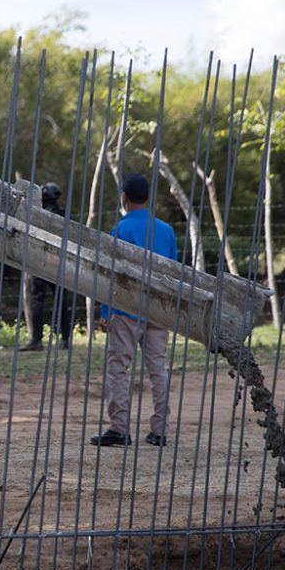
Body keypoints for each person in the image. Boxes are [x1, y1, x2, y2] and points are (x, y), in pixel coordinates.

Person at [91, 173, 177, 448]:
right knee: (158, 368)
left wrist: (105, 312)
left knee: (118, 367)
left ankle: (119, 427)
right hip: (158, 311)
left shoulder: (119, 230)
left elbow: (110, 275)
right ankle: (160, 430)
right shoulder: (166, 231)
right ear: (148, 198)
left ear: (124, 198)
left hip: (127, 308)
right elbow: (173, 272)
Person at [19, 182, 74, 351]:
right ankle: (65, 339)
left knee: (37, 299)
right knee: (61, 300)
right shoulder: (63, 215)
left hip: (39, 260)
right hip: (58, 262)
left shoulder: (37, 215)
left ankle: (36, 340)